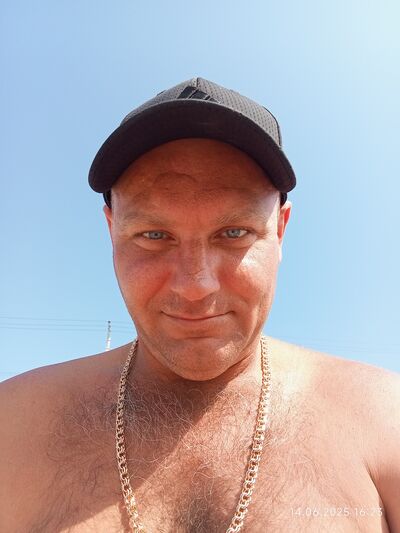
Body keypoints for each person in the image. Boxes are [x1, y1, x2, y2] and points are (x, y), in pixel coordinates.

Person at [0, 78, 399, 533]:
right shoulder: (14, 427)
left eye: (234, 233)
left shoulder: (384, 420)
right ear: (112, 231)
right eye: (154, 235)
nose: (195, 286)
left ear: (280, 230)